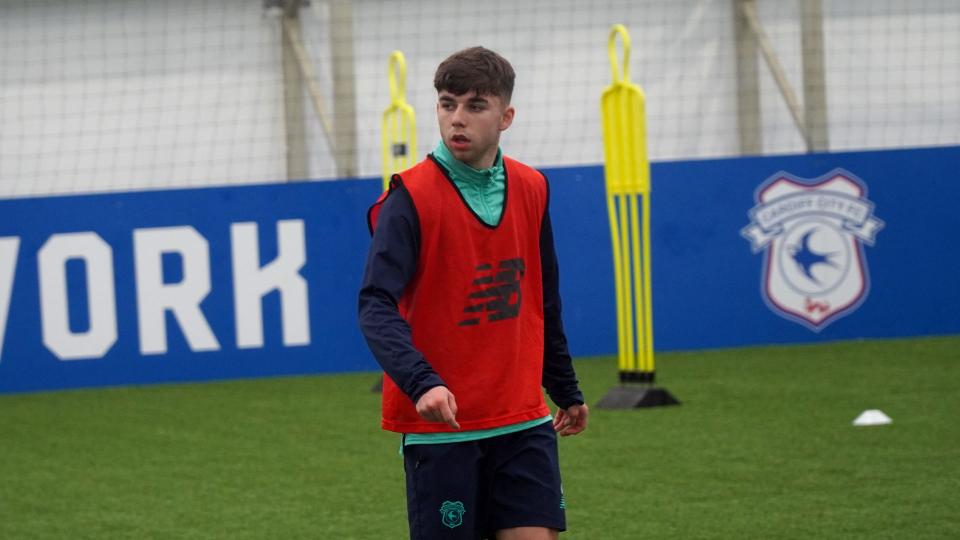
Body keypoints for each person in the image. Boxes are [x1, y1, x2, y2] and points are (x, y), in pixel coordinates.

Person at [359, 46, 588, 540]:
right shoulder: (409, 198)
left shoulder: (532, 186)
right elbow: (375, 305)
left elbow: (542, 297)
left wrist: (564, 388)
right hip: (444, 426)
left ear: (506, 116)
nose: (456, 119)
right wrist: (422, 383)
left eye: (474, 106)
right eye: (447, 104)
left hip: (523, 418)